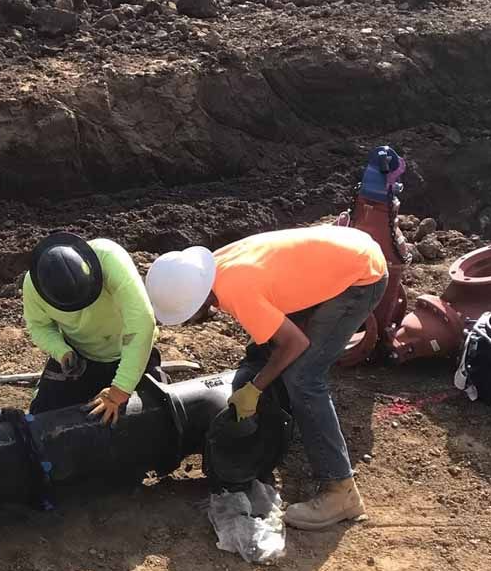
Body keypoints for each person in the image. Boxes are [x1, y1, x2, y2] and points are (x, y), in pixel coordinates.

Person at [145, 225, 389, 530]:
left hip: (360, 277)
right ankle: (285, 428)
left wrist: (255, 388)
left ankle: (341, 491)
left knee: (304, 378)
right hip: (346, 253)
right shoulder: (213, 267)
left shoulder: (236, 290)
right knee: (268, 352)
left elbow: (295, 343)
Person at [22, 233, 162, 426]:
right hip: (81, 357)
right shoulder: (33, 286)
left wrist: (119, 390)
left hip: (131, 353)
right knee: (41, 418)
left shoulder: (110, 258)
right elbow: (39, 326)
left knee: (157, 415)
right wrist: (62, 352)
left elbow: (142, 323)